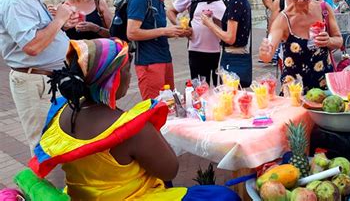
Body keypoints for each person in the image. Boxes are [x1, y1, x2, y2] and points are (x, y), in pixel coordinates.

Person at [30, 38, 240, 201]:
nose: (130, 78)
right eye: (126, 71)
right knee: (225, 196)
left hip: (81, 197)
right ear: (113, 79)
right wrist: (153, 130)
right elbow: (169, 170)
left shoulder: (60, 112)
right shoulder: (130, 128)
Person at [0, 0, 76, 153]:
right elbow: (32, 46)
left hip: (47, 80)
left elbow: (41, 32)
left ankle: (61, 183)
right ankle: (47, 184)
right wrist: (59, 19)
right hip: (35, 83)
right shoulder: (16, 0)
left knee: (59, 138)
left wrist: (61, 22)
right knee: (44, 144)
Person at [258, 0, 342, 92]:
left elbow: (339, 40)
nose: (300, 0)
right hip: (294, 93)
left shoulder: (324, 10)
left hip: (324, 89)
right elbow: (268, 55)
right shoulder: (283, 19)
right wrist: (265, 52)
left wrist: (329, 41)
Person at [127, 0, 191, 99]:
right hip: (149, 63)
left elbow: (155, 30)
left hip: (164, 59)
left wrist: (174, 32)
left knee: (170, 107)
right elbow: (131, 32)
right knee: (154, 110)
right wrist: (165, 31)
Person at [167, 0, 227, 86]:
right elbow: (171, 11)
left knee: (220, 91)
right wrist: (180, 27)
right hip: (197, 50)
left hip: (221, 51)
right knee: (200, 90)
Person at [201, 0, 252, 87]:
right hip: (239, 55)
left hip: (233, 56)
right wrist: (214, 20)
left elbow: (230, 38)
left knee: (230, 97)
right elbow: (235, 27)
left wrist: (209, 24)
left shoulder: (235, 2)